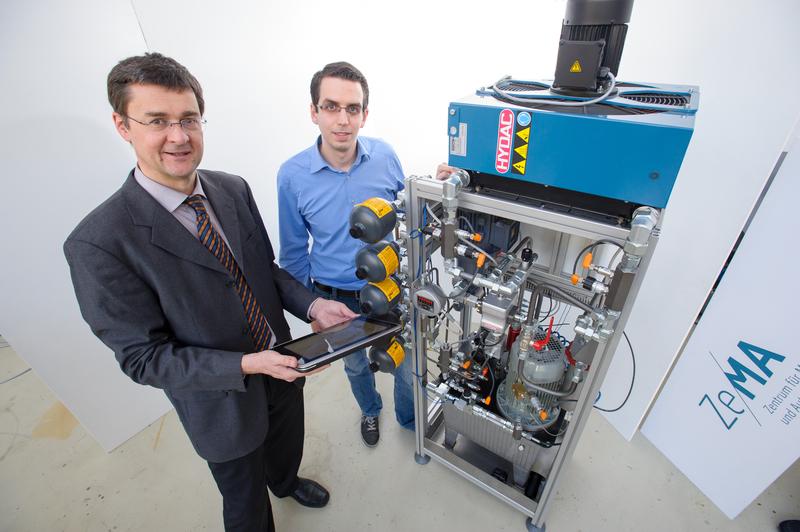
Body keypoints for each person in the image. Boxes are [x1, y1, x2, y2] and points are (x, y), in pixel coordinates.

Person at [64, 52, 357, 532]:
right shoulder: (99, 242)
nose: (178, 136)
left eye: (188, 119)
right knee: (243, 503)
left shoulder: (231, 189)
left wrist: (313, 304)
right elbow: (143, 358)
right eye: (157, 121)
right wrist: (245, 364)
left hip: (285, 366)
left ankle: (284, 483)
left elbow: (265, 271)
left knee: (285, 449)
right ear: (122, 125)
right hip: (219, 402)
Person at [277, 62, 418, 447]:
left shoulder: (385, 157)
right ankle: (371, 411)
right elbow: (292, 254)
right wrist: (312, 307)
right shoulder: (292, 176)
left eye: (352, 109)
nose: (343, 120)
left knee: (404, 364)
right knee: (356, 367)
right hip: (336, 296)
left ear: (364, 115)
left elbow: (403, 215)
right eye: (331, 107)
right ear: (314, 112)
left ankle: (409, 419)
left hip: (389, 287)